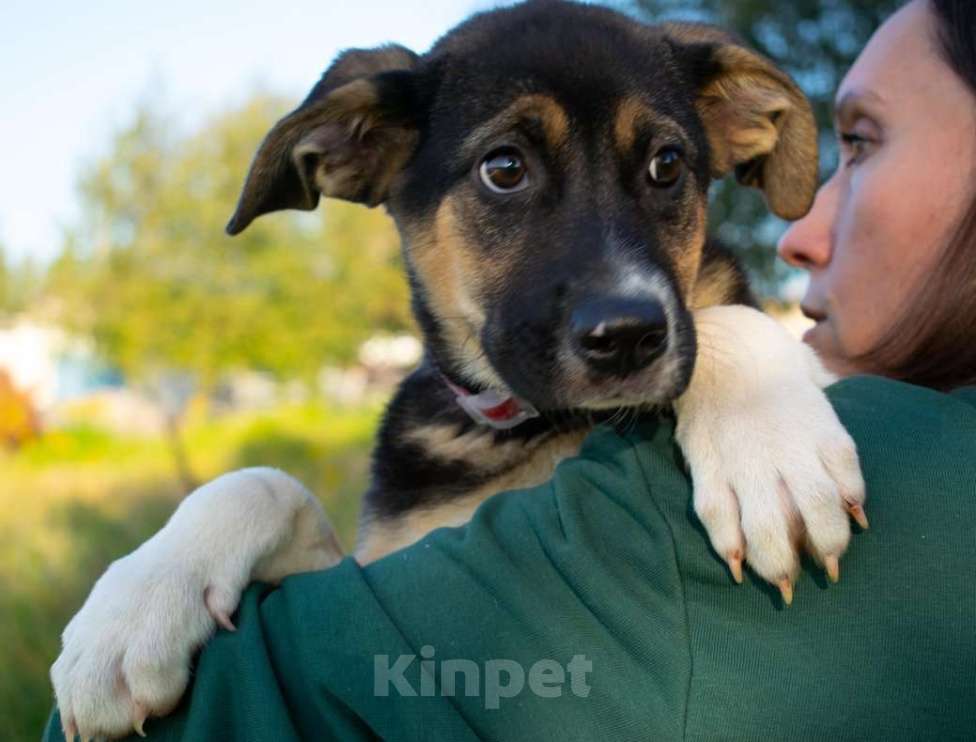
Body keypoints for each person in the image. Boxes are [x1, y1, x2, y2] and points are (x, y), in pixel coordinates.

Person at [45, 0, 976, 740]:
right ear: (369, 156)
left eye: (661, 169)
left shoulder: (765, 412)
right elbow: (380, 650)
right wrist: (243, 512)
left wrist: (742, 354)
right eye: (504, 169)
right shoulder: (425, 460)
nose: (621, 290)